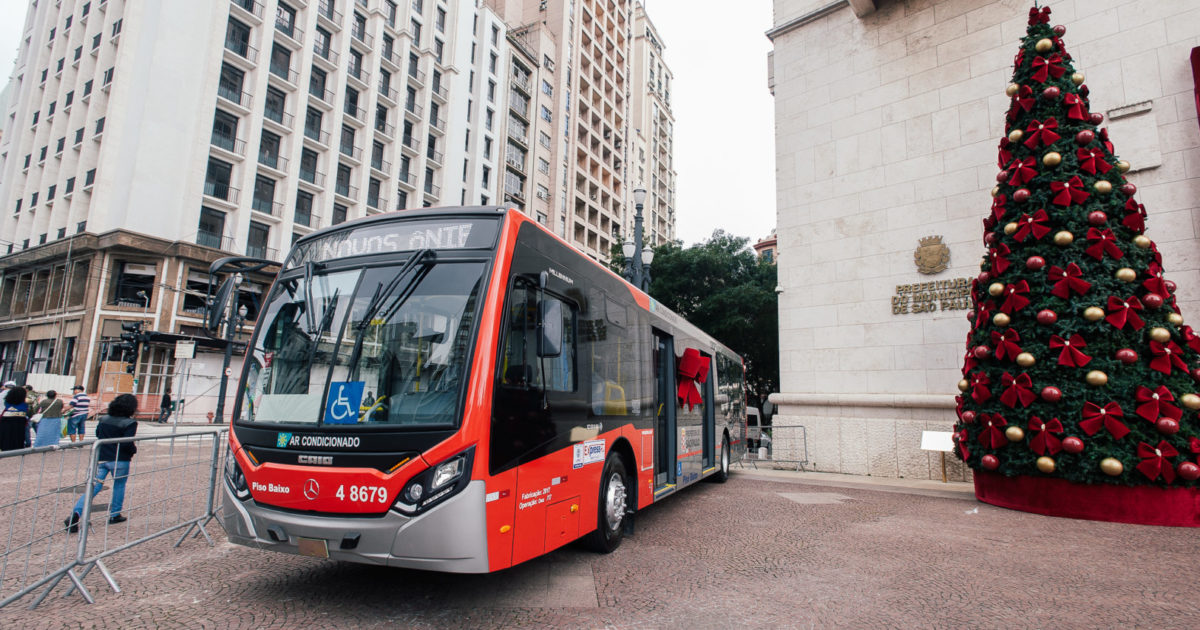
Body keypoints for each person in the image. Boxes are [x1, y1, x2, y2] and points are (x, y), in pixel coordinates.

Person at [64, 394, 139, 532]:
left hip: (102, 457)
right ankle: (114, 514)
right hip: (120, 459)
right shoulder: (130, 423)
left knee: (94, 487)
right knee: (119, 486)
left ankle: (76, 513)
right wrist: (133, 450)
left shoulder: (104, 419)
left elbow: (99, 433)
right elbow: (127, 442)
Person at [1, 386, 29, 451]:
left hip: (6, 418)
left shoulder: (7, 402)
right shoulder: (24, 404)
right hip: (20, 420)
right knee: (17, 436)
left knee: (6, 435)